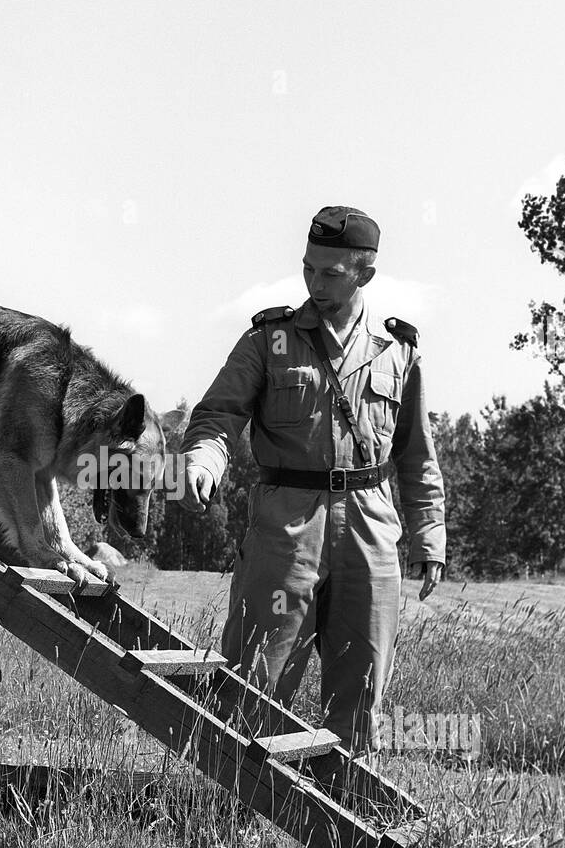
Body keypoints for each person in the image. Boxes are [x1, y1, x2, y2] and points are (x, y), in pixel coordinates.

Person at [180, 205, 446, 751]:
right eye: (308, 268)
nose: (314, 282)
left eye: (330, 272)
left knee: (362, 685)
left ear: (364, 273)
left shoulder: (399, 350)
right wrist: (202, 460)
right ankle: (234, 818)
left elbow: (417, 454)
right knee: (255, 676)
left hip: (371, 528)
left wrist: (429, 536)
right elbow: (217, 415)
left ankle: (348, 820)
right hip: (286, 525)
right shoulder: (268, 340)